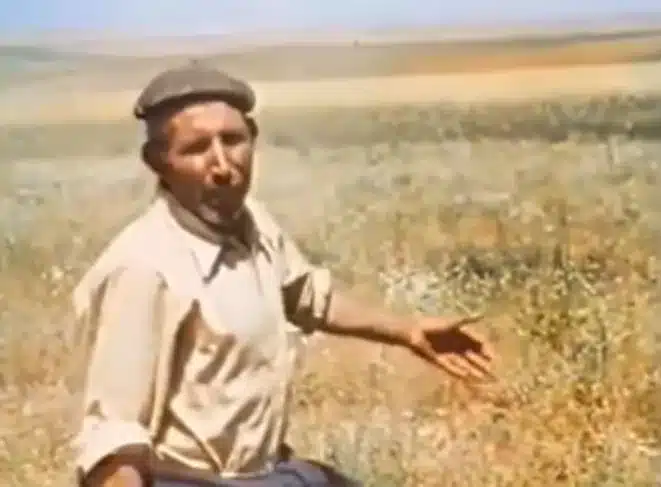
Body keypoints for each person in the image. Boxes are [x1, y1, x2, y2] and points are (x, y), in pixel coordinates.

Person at [71, 63, 496, 487]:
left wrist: (407, 331)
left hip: (264, 471)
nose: (222, 164)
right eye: (196, 148)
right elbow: (113, 437)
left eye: (233, 140)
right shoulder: (143, 269)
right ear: (157, 162)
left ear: (253, 139)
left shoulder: (251, 223)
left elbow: (306, 295)